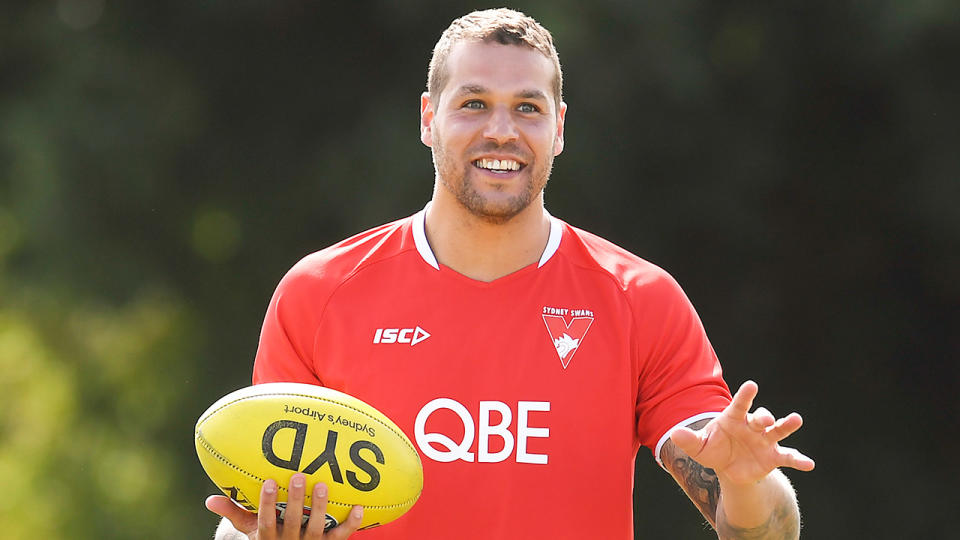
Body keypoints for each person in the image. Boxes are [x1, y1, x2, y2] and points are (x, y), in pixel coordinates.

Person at [205, 8, 815, 540]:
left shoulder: (639, 299)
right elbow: (246, 517)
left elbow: (765, 532)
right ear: (428, 118)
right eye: (474, 104)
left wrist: (743, 484)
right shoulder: (319, 294)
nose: (502, 130)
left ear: (559, 128)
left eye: (528, 107)